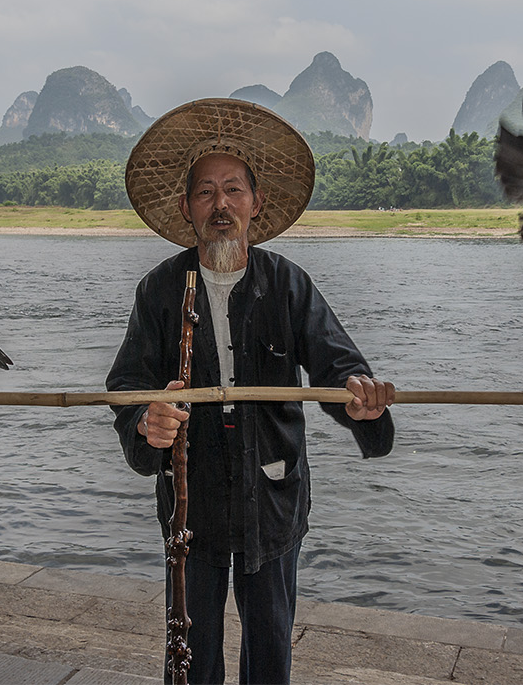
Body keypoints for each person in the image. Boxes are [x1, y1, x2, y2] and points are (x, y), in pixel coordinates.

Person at [107, 98, 395, 684]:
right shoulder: (159, 291)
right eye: (206, 192)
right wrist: (146, 420)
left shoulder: (288, 285)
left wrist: (361, 398)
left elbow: (340, 367)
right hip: (193, 498)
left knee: (270, 650)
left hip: (273, 494)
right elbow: (127, 387)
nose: (221, 205)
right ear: (188, 208)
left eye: (233, 190)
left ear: (255, 203)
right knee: (191, 652)